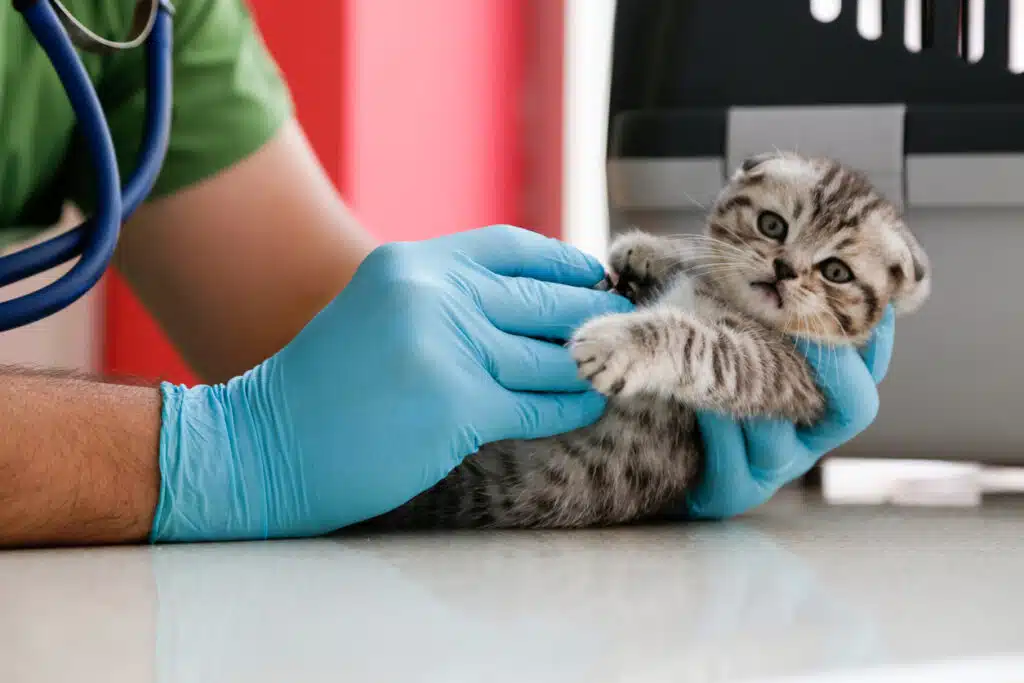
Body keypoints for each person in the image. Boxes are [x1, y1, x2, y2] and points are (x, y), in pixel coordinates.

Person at [0, 0, 893, 548]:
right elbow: (272, 439)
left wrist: (620, 424)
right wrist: (205, 456)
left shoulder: (151, 13)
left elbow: (323, 340)